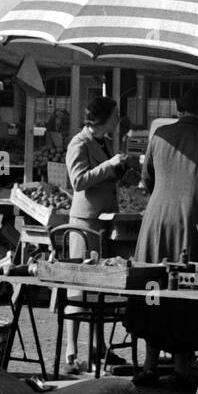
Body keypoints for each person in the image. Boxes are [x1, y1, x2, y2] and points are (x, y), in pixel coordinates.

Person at [130, 84, 198, 388]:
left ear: (180, 110)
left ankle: (150, 365)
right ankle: (181, 369)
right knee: (188, 294)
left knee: (153, 291)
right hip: (195, 227)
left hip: (156, 226)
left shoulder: (160, 136)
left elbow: (146, 181)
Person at [62, 95, 138, 374]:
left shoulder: (104, 141)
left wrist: (120, 170)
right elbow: (78, 180)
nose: (118, 121)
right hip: (85, 223)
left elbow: (102, 176)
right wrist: (109, 165)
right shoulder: (78, 143)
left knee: (99, 288)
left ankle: (99, 347)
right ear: (104, 117)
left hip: (105, 220)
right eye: (115, 115)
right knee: (79, 285)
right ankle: (71, 352)